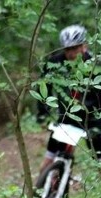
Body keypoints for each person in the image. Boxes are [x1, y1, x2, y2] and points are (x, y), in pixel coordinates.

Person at [36, 24, 101, 177]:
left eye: (75, 48)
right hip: (66, 117)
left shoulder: (95, 65)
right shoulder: (55, 63)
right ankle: (39, 195)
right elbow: (43, 88)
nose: (71, 53)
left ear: (84, 46)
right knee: (49, 159)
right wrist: (43, 113)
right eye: (67, 49)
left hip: (93, 119)